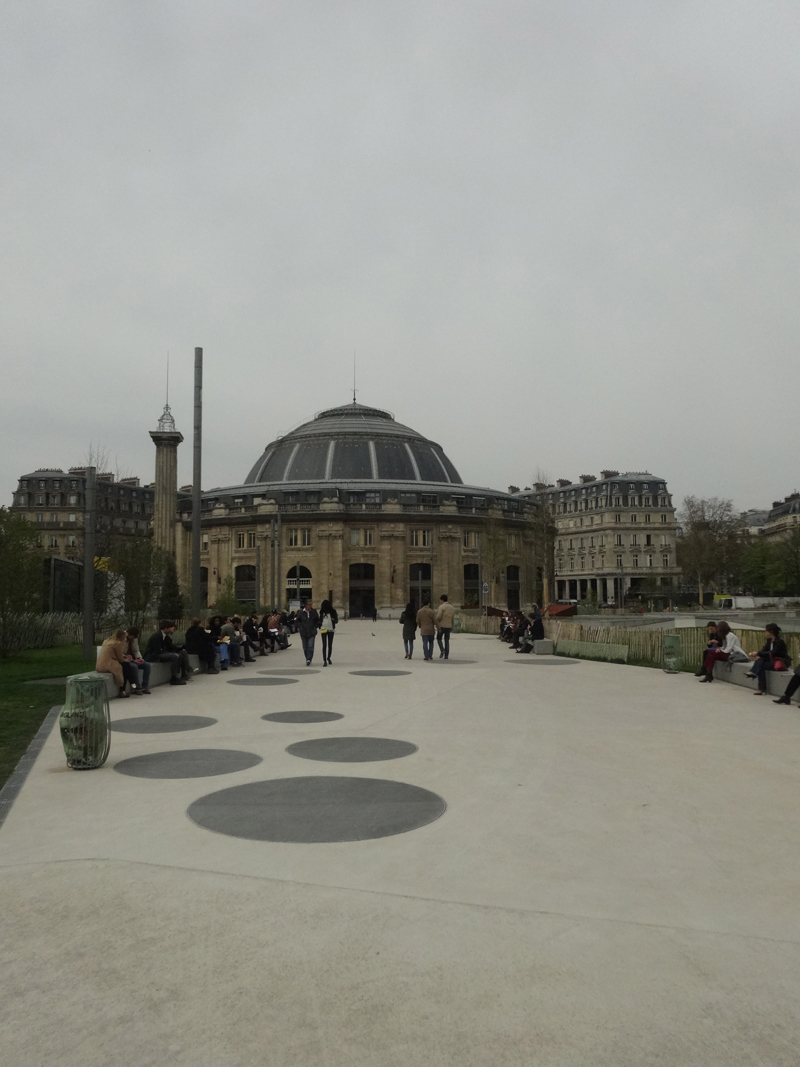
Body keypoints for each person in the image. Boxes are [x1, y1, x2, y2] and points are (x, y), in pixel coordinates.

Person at [745, 623, 791, 697]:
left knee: (761, 665)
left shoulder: (779, 641)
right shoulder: (770, 640)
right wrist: (758, 655)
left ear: (771, 632)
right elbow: (764, 650)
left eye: (766, 631)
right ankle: (759, 685)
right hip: (771, 661)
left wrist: (758, 653)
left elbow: (773, 653)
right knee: (760, 662)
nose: (765, 632)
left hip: (779, 662)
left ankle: (757, 681)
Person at [143, 620, 193, 685]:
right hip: (153, 655)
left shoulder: (165, 636)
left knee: (181, 654)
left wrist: (182, 648)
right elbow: (157, 650)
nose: (173, 629)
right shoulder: (157, 636)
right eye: (171, 627)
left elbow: (171, 646)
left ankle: (183, 674)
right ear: (166, 628)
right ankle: (174, 678)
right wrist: (170, 654)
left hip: (159, 653)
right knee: (174, 656)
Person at [97, 629, 129, 698]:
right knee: (126, 666)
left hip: (100, 664)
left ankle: (132, 685)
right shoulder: (118, 643)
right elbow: (120, 658)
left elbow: (111, 652)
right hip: (108, 664)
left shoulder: (106, 641)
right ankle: (122, 690)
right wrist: (126, 659)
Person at [123, 626, 152, 694]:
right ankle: (137, 687)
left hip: (133, 658)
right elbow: (121, 653)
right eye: (132, 637)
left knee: (147, 665)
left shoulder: (134, 639)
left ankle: (144, 686)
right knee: (134, 667)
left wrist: (139, 658)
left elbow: (136, 650)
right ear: (128, 634)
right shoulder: (122, 639)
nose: (133, 639)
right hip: (125, 660)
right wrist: (132, 660)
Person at [297, 600, 320, 665]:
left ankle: (309, 659)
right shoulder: (301, 612)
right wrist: (300, 628)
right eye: (309, 604)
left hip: (311, 631)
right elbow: (297, 621)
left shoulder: (314, 612)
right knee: (305, 646)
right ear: (306, 605)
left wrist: (315, 627)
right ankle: (307, 658)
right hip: (303, 632)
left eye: (311, 604)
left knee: (310, 645)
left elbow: (318, 620)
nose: (310, 606)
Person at [319, 599, 338, 666]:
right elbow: (320, 620)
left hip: (330, 628)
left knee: (329, 644)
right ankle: (324, 660)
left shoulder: (333, 611)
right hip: (323, 628)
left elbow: (336, 621)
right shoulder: (321, 612)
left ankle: (328, 657)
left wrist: (333, 620)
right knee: (324, 645)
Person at [435, 594, 455, 660]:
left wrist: (436, 622)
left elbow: (439, 616)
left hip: (442, 626)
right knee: (447, 640)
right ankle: (446, 655)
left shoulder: (441, 607)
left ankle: (442, 649)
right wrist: (452, 625)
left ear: (442, 600)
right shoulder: (451, 607)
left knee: (439, 638)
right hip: (449, 626)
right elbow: (453, 618)